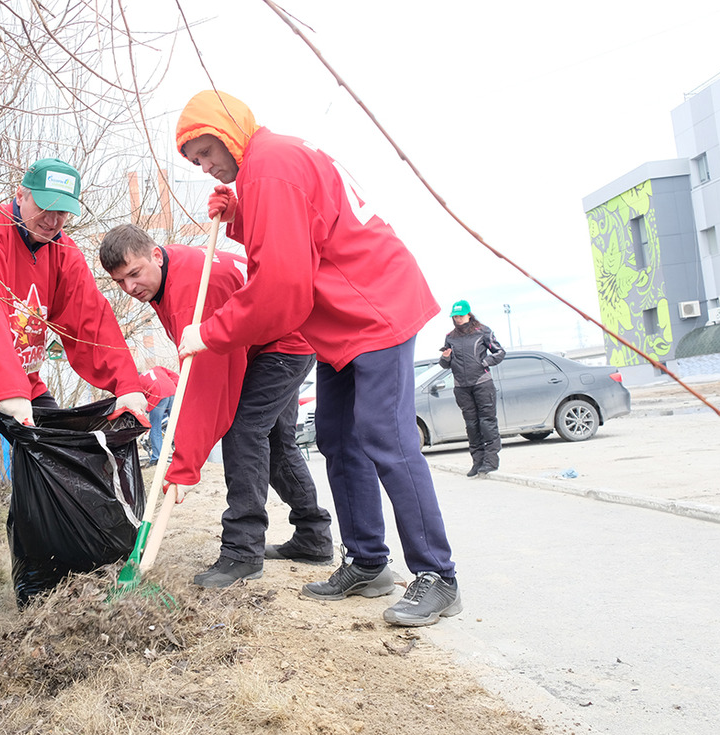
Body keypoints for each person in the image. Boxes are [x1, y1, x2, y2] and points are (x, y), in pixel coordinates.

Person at [174, 90, 461, 626]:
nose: (207, 167)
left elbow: (280, 285)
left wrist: (209, 333)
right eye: (196, 163)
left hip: (374, 309)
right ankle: (368, 562)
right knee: (335, 436)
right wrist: (238, 216)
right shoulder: (268, 167)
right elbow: (295, 237)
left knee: (386, 436)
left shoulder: (269, 166)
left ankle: (437, 576)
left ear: (228, 129)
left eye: (205, 152)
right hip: (340, 324)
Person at [0, 158, 147, 646]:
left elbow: (92, 322)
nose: (54, 221)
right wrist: (11, 391)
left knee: (58, 463)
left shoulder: (63, 252)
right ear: (22, 194)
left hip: (19, 379)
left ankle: (47, 578)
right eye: (46, 208)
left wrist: (128, 383)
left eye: (65, 213)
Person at [99, 224, 335, 588]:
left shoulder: (193, 290)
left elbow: (209, 385)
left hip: (286, 341)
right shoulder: (168, 278)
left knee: (244, 430)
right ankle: (314, 536)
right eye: (120, 281)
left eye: (134, 273)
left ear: (156, 255)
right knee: (275, 442)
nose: (130, 287)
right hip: (267, 340)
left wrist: (185, 465)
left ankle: (242, 552)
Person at [439, 300, 506, 477]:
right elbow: (445, 365)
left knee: (487, 422)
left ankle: (490, 461)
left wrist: (484, 363)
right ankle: (477, 462)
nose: (458, 319)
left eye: (460, 315)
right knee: (471, 425)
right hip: (461, 386)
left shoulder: (483, 331)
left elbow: (499, 352)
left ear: (469, 314)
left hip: (482, 383)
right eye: (455, 316)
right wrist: (445, 358)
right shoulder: (450, 337)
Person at [137, 365, 178, 466]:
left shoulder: (137, 381)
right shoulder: (158, 368)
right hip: (172, 391)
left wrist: (144, 412)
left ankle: (157, 457)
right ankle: (183, 455)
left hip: (157, 395)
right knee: (176, 425)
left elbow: (140, 400)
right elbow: (176, 376)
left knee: (155, 427)